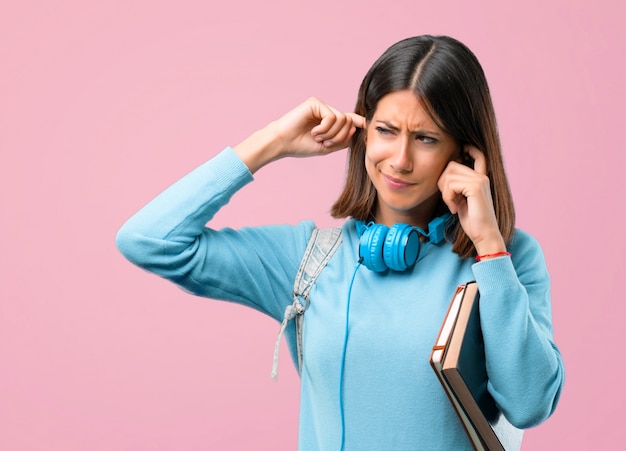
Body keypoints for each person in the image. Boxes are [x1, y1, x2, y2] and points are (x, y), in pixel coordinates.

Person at [116, 35, 564, 450]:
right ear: (363, 132)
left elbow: (528, 404)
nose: (400, 160)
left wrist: (488, 245)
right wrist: (270, 142)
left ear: (463, 153)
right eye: (386, 131)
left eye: (425, 138)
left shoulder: (508, 260)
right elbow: (148, 239)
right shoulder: (307, 261)